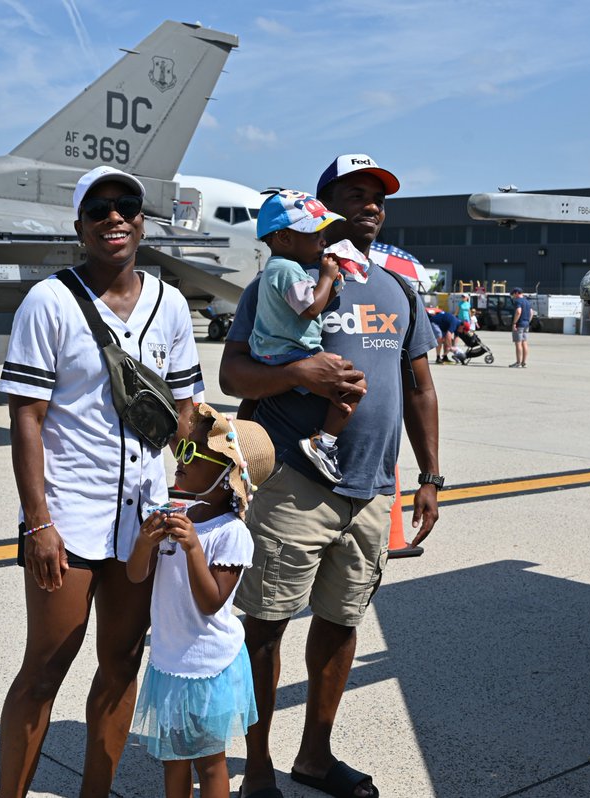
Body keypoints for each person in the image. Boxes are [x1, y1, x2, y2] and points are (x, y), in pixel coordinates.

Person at [218, 153, 441, 798]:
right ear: (322, 206)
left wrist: (431, 475)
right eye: (355, 193)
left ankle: (315, 756)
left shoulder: (397, 288)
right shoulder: (278, 281)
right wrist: (295, 374)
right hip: (293, 484)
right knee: (264, 627)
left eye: (379, 196)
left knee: (341, 624)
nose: (370, 205)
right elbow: (234, 375)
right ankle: (257, 768)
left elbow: (420, 385)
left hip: (372, 487)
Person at [0, 165, 205, 798]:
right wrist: (39, 524)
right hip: (70, 513)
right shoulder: (49, 301)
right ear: (80, 224)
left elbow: (187, 411)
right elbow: (26, 419)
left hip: (144, 514)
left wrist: (204, 483)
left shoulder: (170, 303)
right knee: (46, 668)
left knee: (121, 664)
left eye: (127, 206)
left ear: (143, 220)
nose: (114, 217)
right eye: (99, 208)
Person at [127, 403, 275, 798]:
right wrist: (145, 542)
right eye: (181, 450)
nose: (180, 458)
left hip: (210, 667)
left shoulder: (230, 533)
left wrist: (193, 547)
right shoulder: (173, 516)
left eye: (192, 453)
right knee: (173, 760)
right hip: (170, 663)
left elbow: (211, 601)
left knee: (210, 763)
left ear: (226, 477)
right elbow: (136, 575)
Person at [249, 189, 366, 484]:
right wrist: (326, 276)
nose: (323, 241)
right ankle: (324, 443)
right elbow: (311, 308)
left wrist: (333, 286)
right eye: (315, 235)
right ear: (284, 238)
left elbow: (310, 303)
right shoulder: (288, 269)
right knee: (355, 384)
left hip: (271, 351)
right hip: (292, 352)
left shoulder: (276, 268)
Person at [509, 287, 531, 367]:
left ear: (517, 293)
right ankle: (523, 362)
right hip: (526, 324)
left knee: (518, 343)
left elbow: (518, 311)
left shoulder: (518, 301)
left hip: (519, 325)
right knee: (524, 343)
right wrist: (528, 321)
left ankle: (518, 363)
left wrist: (514, 323)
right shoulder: (527, 301)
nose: (513, 296)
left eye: (513, 294)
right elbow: (531, 312)